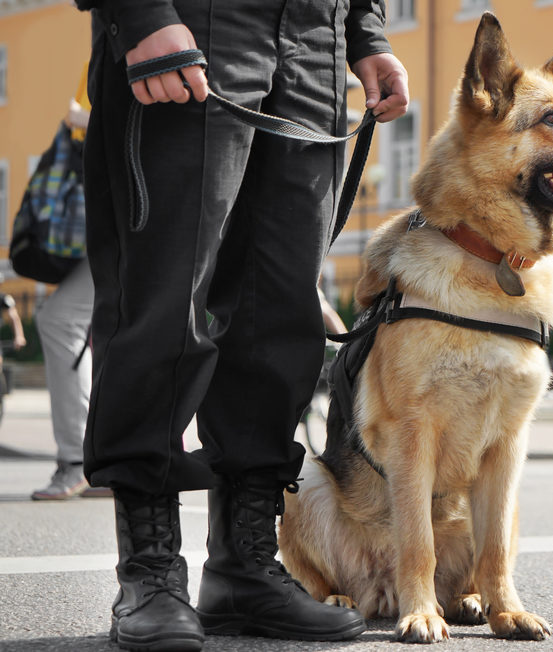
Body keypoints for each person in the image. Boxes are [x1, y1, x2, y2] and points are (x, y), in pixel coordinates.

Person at [74, 0, 408, 649]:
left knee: (279, 310)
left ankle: (242, 566)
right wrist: (138, 14)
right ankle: (150, 568)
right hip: (194, 22)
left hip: (314, 35)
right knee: (164, 303)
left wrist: (364, 29)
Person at [30, 72, 107, 502]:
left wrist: (82, 119)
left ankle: (81, 460)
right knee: (121, 330)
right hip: (124, 216)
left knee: (60, 319)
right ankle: (116, 461)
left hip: (134, 217)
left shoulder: (131, 35)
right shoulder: (100, 52)